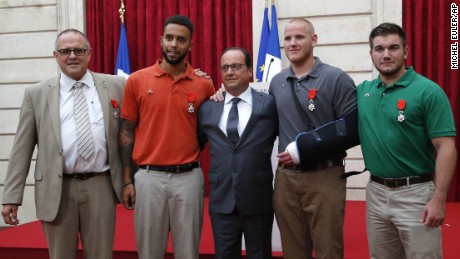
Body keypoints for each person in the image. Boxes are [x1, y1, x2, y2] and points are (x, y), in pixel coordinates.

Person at [1, 29, 125, 259]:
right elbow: (21, 149)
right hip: (57, 190)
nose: (72, 56)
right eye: (65, 51)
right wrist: (11, 197)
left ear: (89, 53)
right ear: (55, 55)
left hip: (101, 186)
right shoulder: (36, 94)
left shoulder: (118, 86)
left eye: (78, 50)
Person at [119, 15, 215, 259]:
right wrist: (127, 180)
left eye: (181, 40)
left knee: (188, 253)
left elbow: (208, 130)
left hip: (189, 178)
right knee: (149, 252)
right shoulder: (137, 80)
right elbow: (126, 132)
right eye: (169, 38)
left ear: (190, 45)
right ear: (161, 40)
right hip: (149, 178)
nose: (174, 44)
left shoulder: (203, 85)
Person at [358, 22, 457, 258]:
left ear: (406, 51)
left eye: (393, 47)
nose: (386, 54)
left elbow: (446, 147)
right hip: (376, 192)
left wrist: (439, 199)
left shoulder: (428, 92)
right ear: (371, 53)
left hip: (416, 196)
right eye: (379, 49)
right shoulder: (363, 91)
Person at [270, 18, 356, 259]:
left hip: (324, 178)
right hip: (286, 180)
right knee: (293, 252)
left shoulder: (335, 79)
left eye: (299, 37)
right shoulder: (277, 83)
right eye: (287, 38)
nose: (293, 43)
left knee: (329, 250)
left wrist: (307, 149)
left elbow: (352, 129)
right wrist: (224, 92)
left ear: (314, 40)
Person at [198, 47, 278, 258]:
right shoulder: (208, 108)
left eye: (236, 66)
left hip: (257, 198)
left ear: (250, 71)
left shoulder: (269, 104)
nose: (230, 72)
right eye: (225, 67)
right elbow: (196, 143)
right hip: (222, 200)